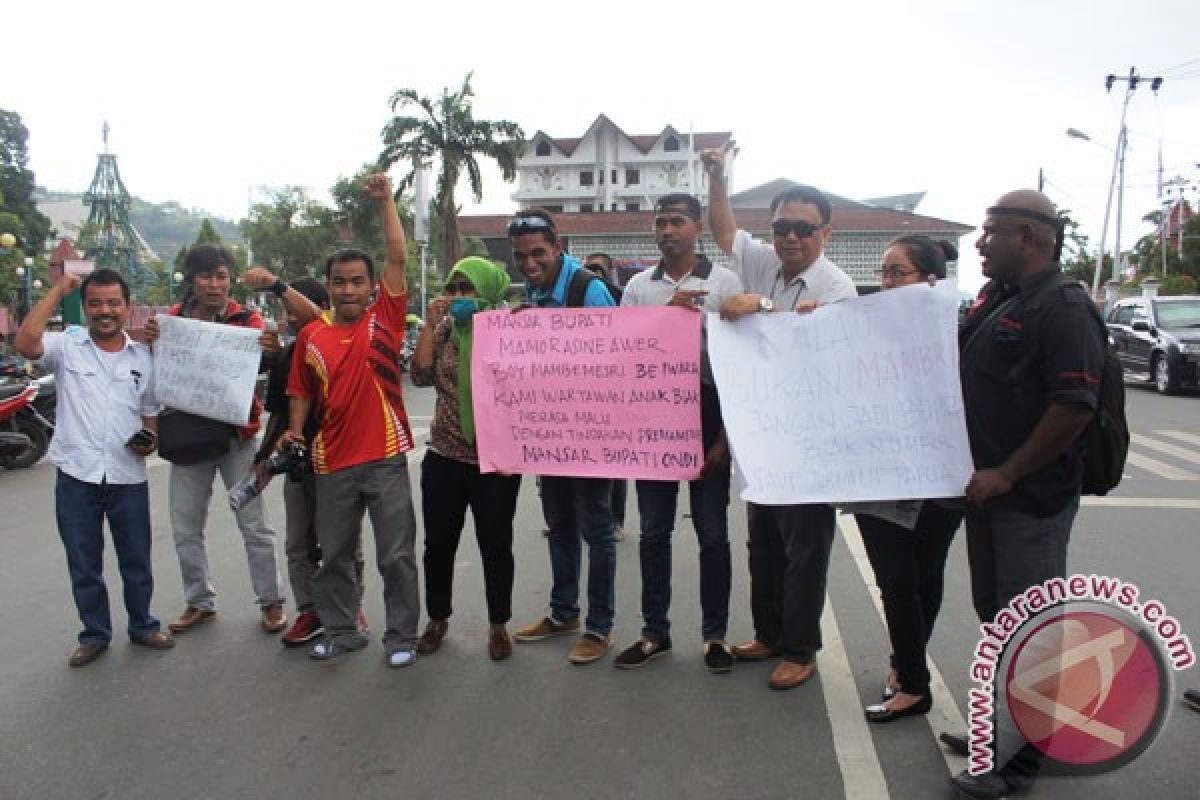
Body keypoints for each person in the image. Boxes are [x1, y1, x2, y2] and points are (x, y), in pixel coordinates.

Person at [948, 190, 1106, 800]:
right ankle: (997, 733)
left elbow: (1074, 407)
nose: (980, 243)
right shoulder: (1001, 300)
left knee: (1030, 632)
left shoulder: (1063, 308)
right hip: (988, 495)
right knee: (999, 621)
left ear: (1031, 237)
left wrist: (1009, 473)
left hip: (1029, 499)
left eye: (991, 233)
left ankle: (1016, 764)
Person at [702, 147, 857, 690]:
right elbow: (724, 232)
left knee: (805, 550)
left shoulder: (837, 287)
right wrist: (717, 177)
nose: (791, 237)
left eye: (803, 228)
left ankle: (800, 648)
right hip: (762, 438)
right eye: (782, 226)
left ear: (825, 234)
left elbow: (822, 355)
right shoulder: (762, 262)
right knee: (762, 543)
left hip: (811, 444)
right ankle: (768, 633)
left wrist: (764, 308)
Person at [284, 172, 421, 668]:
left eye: (357, 281)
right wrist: (296, 431)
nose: (348, 289)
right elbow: (300, 389)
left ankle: (402, 636)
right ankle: (343, 631)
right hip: (331, 463)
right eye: (339, 282)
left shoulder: (385, 317)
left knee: (396, 557)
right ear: (328, 287)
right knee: (335, 556)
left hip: (384, 459)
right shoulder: (311, 338)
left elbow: (397, 255)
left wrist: (388, 201)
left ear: (371, 286)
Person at [14, 269, 174, 666]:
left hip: (127, 475)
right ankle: (94, 634)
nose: (105, 311)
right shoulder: (67, 346)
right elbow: (25, 342)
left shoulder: (143, 358)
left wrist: (149, 439)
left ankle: (143, 625)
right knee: (84, 562)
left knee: (136, 558)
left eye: (113, 303)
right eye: (96, 304)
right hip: (76, 475)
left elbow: (150, 412)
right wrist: (56, 292)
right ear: (85, 308)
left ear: (127, 308)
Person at [613, 193, 743, 674]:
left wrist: (724, 439)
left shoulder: (725, 281)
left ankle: (715, 636)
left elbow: (742, 365)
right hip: (655, 419)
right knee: (653, 533)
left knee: (713, 534)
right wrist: (668, 314)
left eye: (678, 222)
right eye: (661, 222)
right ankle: (655, 632)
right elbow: (622, 355)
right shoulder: (638, 287)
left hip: (708, 411)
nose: (668, 230)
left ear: (697, 229)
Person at [145, 244, 298, 636]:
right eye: (206, 276)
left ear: (230, 280)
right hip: (188, 439)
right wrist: (151, 340)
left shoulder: (249, 322)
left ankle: (272, 602)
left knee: (254, 523)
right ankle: (199, 602)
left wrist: (273, 353)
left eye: (222, 276)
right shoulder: (170, 322)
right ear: (191, 280)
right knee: (185, 527)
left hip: (237, 439)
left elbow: (269, 365)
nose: (214, 285)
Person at [844, 235, 965, 722]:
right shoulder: (858, 328)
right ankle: (912, 675)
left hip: (939, 480)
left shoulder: (958, 332)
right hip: (880, 478)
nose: (888, 281)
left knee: (925, 578)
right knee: (895, 581)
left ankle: (908, 673)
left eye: (900, 272)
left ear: (930, 280)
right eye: (885, 272)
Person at [508, 209, 620, 665]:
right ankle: (564, 612)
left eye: (538, 253)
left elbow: (614, 357)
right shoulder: (535, 291)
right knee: (559, 525)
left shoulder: (586, 289)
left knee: (597, 529)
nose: (529, 263)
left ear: (557, 247)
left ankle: (599, 627)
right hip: (550, 430)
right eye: (520, 256)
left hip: (591, 431)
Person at [245, 273, 367, 646]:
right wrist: (264, 459)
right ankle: (310, 611)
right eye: (286, 308)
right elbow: (279, 414)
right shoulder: (286, 355)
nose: (290, 316)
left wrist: (276, 283)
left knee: (341, 543)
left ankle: (348, 608)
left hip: (340, 461)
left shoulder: (340, 348)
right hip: (299, 464)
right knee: (298, 542)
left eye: (295, 306)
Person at [410, 257, 522, 661]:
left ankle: (498, 625)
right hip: (444, 455)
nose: (457, 297)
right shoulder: (444, 330)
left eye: (467, 289)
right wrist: (428, 323)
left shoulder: (512, 330)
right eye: (452, 288)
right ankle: (437, 618)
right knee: (439, 544)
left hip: (495, 462)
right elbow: (420, 375)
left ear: (488, 291)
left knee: (495, 544)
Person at [582, 251, 627, 539]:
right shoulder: (575, 294)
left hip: (611, 401)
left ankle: (616, 519)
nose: (593, 273)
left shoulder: (618, 297)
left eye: (598, 268)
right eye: (588, 268)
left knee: (614, 467)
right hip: (576, 404)